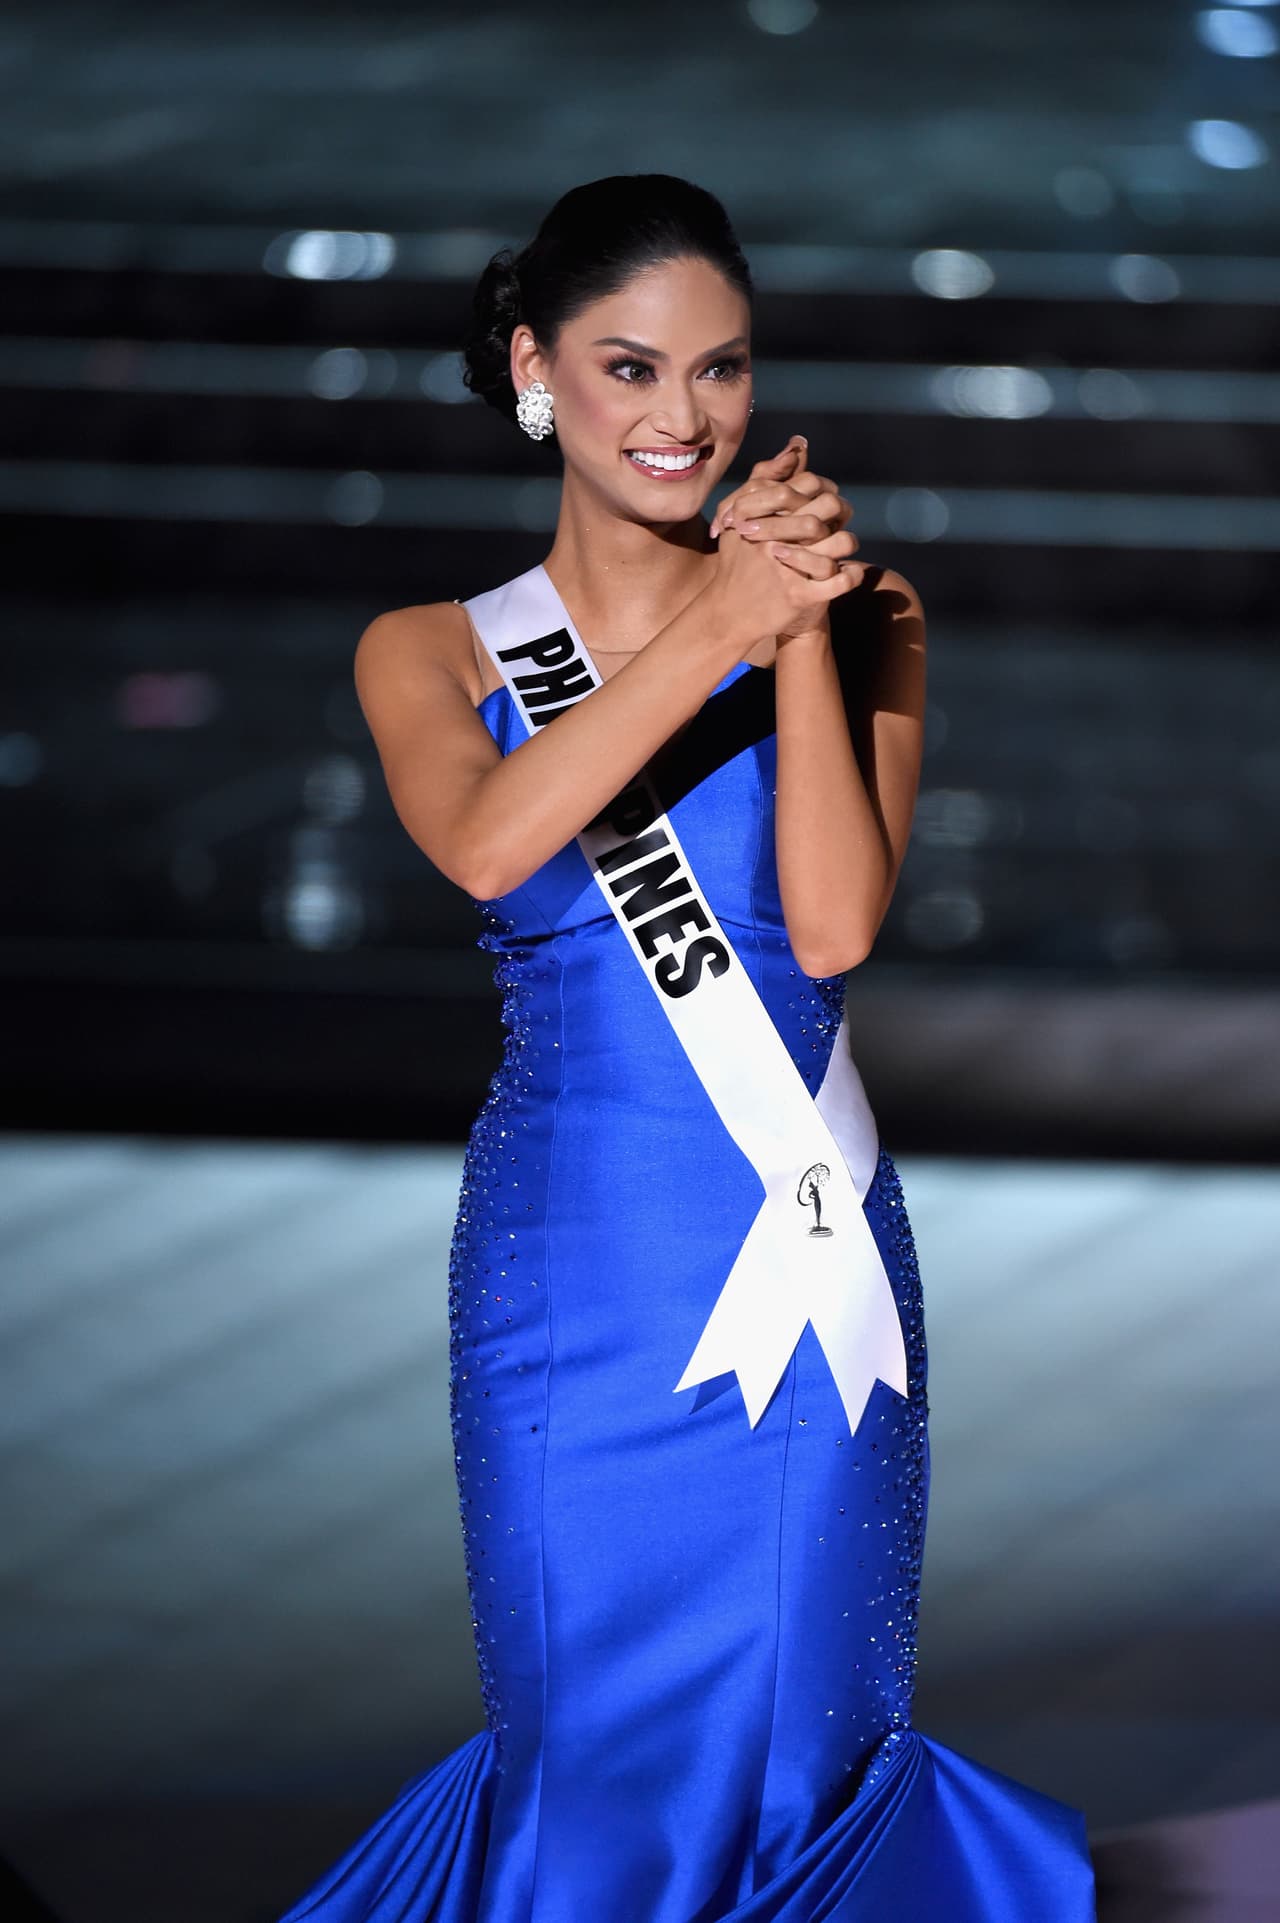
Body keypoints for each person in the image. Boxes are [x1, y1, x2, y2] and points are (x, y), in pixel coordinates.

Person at [275, 174, 1096, 1922]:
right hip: (581, 1270)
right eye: (629, 369)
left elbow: (833, 930)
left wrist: (792, 632)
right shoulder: (427, 650)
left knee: (816, 1745)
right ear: (533, 368)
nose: (682, 417)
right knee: (593, 1752)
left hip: (809, 1256)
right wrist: (718, 625)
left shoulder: (864, 612)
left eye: (718, 372)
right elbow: (493, 844)